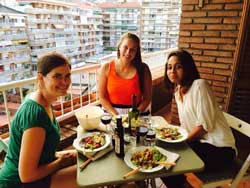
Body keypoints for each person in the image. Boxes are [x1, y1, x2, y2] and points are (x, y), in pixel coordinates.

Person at [0, 53, 77, 188]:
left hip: (37, 171)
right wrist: (60, 162)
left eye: (67, 76)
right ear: (41, 78)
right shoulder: (36, 114)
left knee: (84, 156)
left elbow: (42, 152)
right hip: (19, 183)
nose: (64, 82)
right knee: (88, 174)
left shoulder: (43, 100)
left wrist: (64, 156)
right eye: (57, 76)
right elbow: (27, 175)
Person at [162, 49, 236, 188]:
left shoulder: (200, 86)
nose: (172, 71)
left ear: (187, 68)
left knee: (170, 160)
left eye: (178, 66)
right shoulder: (178, 92)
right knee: (164, 154)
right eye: (169, 67)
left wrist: (179, 142)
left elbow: (202, 128)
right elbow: (186, 127)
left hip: (220, 149)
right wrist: (171, 137)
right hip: (201, 144)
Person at [98, 32, 152, 116]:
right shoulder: (106, 68)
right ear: (119, 47)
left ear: (136, 52)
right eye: (125, 47)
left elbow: (147, 98)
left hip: (137, 113)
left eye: (132, 49)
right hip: (111, 113)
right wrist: (116, 116)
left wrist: (133, 115)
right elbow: (102, 97)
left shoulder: (143, 69)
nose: (128, 52)